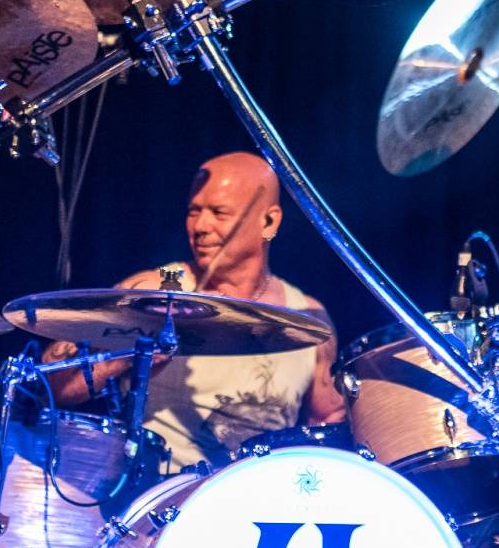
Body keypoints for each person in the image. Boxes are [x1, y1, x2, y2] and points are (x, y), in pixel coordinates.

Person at [44, 151, 346, 469]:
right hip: (158, 497)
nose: (200, 226)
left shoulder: (308, 317)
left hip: (257, 504)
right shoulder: (150, 292)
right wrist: (127, 355)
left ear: (268, 221)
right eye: (194, 211)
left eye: (219, 212)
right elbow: (55, 388)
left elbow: (327, 422)